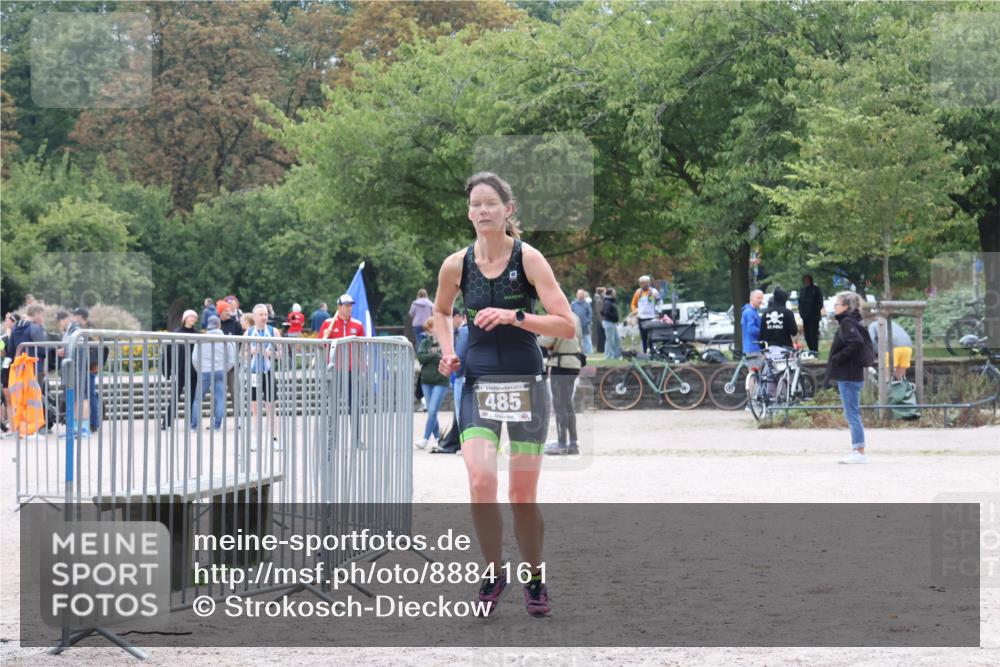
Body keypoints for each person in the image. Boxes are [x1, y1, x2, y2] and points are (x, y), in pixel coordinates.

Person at [432, 171, 575, 618]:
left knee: (521, 495)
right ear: (469, 211)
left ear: (508, 210)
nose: (483, 211)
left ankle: (534, 577)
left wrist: (516, 316)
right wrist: (449, 351)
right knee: (479, 482)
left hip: (526, 383)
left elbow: (566, 323)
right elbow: (440, 311)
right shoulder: (457, 264)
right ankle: (494, 571)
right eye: (475, 204)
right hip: (477, 383)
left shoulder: (529, 259)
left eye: (491, 203)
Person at [827, 291, 869, 464]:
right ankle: (857, 449)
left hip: (849, 374)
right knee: (851, 412)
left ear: (845, 307)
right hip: (851, 374)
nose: (834, 307)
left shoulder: (847, 322)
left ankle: (858, 450)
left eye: (837, 304)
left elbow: (856, 342)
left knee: (852, 414)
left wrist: (838, 358)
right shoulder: (850, 321)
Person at [540, 313, 584, 455]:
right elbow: (580, 339)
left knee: (559, 406)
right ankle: (573, 443)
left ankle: (561, 443)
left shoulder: (556, 318)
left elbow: (546, 341)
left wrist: (536, 336)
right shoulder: (574, 317)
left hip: (561, 364)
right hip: (574, 363)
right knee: (567, 405)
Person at [190, 315, 236, 431]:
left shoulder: (201, 339)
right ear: (219, 325)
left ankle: (194, 426)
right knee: (219, 399)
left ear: (208, 325)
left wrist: (200, 369)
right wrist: (225, 369)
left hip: (204, 371)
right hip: (220, 371)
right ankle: (216, 425)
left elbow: (195, 358)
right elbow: (232, 359)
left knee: (198, 400)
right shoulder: (226, 339)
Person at [247, 304, 281, 440]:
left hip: (268, 372)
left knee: (271, 407)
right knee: (254, 407)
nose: (264, 317)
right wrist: (252, 351)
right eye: (261, 315)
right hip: (254, 373)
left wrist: (268, 353)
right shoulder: (249, 332)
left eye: (266, 314)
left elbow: (281, 353)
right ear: (254, 317)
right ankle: (256, 438)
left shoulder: (274, 331)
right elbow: (242, 354)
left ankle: (275, 437)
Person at [415, 319, 450, 450]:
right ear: (430, 329)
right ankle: (438, 439)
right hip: (426, 382)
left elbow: (445, 358)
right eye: (433, 326)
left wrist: (431, 356)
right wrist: (435, 356)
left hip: (441, 381)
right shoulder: (425, 342)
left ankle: (424, 438)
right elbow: (420, 358)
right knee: (432, 412)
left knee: (432, 410)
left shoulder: (445, 341)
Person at [161, 309, 198, 430]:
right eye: (191, 316)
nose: (193, 319)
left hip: (194, 371)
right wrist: (167, 370)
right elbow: (167, 352)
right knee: (175, 397)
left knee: (192, 398)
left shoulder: (197, 334)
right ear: (185, 318)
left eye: (194, 317)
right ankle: (166, 423)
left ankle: (191, 423)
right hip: (180, 370)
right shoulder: (176, 333)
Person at [630, 275, 661, 354]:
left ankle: (652, 351)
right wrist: (635, 312)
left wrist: (659, 311)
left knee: (651, 336)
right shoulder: (638, 292)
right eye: (642, 283)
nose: (644, 285)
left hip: (651, 317)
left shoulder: (654, 291)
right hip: (641, 317)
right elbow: (633, 304)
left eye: (645, 283)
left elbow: (660, 301)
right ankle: (644, 351)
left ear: (649, 283)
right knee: (643, 336)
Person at [799, 275, 825, 355]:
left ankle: (815, 351)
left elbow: (820, 303)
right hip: (805, 317)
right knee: (807, 336)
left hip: (814, 317)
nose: (806, 281)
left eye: (807, 280)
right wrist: (802, 313)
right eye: (805, 280)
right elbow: (800, 302)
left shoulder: (816, 290)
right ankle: (811, 350)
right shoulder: (802, 290)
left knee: (813, 335)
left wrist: (813, 311)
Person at [740, 289, 764, 357]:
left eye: (762, 298)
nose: (760, 300)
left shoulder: (753, 311)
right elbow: (751, 329)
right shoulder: (750, 312)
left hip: (752, 347)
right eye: (758, 298)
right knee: (756, 367)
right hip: (753, 348)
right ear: (752, 298)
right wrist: (763, 332)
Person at [570, 289, 593, 356]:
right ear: (577, 295)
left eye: (581, 294)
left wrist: (587, 321)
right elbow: (570, 312)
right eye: (579, 294)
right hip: (575, 326)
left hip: (585, 325)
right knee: (576, 340)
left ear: (584, 295)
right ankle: (577, 353)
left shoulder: (587, 304)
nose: (580, 295)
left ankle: (589, 353)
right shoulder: (573, 304)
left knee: (587, 340)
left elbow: (590, 314)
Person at [601, 287, 621, 360]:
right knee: (610, 340)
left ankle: (617, 355)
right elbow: (605, 312)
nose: (615, 294)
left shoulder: (611, 301)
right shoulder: (607, 302)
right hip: (609, 322)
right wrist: (614, 317)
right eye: (614, 292)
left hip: (612, 323)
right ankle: (609, 356)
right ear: (611, 294)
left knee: (617, 339)